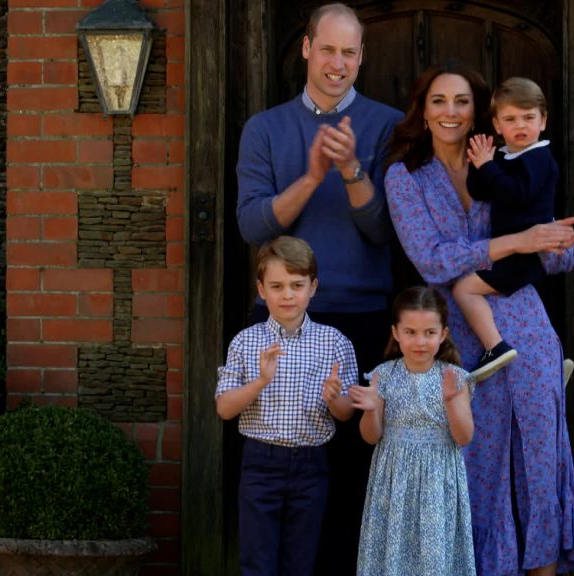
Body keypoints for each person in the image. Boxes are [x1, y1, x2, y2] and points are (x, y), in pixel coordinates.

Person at [383, 60, 574, 576]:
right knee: (475, 465)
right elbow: (431, 259)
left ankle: (544, 568)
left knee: (541, 459)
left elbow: (551, 252)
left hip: (526, 322)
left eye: (461, 101)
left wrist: (556, 242)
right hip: (456, 335)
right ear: (423, 112)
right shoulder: (404, 176)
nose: (450, 112)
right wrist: (518, 241)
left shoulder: (508, 158)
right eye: (439, 101)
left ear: (481, 113)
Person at [235, 4, 403, 571]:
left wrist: (353, 169)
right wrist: (311, 176)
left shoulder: (388, 126)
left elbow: (384, 231)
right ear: (306, 48)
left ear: (361, 57)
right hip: (281, 320)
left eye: (349, 52)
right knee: (276, 472)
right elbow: (254, 225)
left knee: (353, 474)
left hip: (360, 317)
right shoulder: (265, 128)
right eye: (327, 49)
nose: (337, 63)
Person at [215, 236, 357, 576]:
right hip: (261, 462)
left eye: (297, 285)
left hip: (311, 464)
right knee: (257, 560)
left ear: (313, 287)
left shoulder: (334, 342)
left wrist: (334, 398)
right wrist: (260, 381)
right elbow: (224, 408)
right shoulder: (246, 341)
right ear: (261, 290)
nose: (288, 295)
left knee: (301, 560)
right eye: (277, 286)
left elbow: (346, 413)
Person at [349, 286, 476, 576]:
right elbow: (371, 436)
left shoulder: (455, 378)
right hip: (394, 480)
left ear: (443, 334)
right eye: (410, 332)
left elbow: (464, 437)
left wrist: (452, 402)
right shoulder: (384, 374)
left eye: (429, 333)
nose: (420, 341)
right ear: (396, 333)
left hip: (437, 480)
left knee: (434, 557)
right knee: (393, 553)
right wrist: (370, 409)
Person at [455, 77, 559, 382]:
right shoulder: (505, 156)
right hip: (509, 250)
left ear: (543, 120)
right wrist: (479, 164)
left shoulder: (540, 158)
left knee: (464, 289)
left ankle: (495, 347)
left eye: (529, 118)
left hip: (524, 255)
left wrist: (489, 167)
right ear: (497, 125)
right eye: (510, 119)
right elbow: (480, 191)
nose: (520, 126)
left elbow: (516, 194)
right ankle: (546, 363)